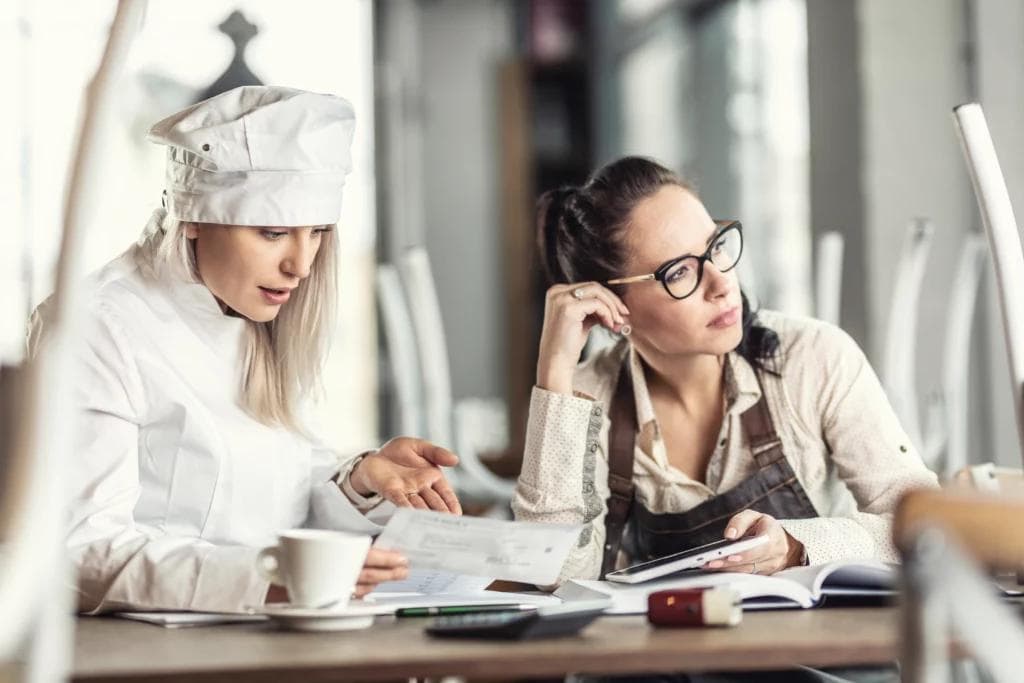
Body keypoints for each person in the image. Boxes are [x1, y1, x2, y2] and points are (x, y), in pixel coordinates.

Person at [29, 86, 462, 614]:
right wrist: (273, 578)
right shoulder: (97, 326)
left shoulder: (249, 313)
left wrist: (359, 480)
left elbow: (270, 494)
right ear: (191, 218)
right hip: (148, 651)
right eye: (274, 232)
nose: (301, 266)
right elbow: (82, 551)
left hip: (264, 632)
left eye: (318, 233)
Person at [513, 156, 939, 585]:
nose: (722, 283)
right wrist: (554, 372)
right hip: (669, 652)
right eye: (679, 272)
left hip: (821, 649)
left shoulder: (813, 358)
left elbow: (927, 529)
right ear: (613, 307)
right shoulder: (584, 398)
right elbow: (548, 580)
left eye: (716, 247)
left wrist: (797, 545)